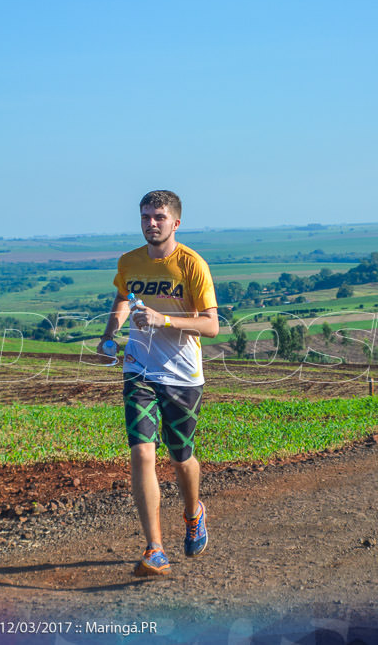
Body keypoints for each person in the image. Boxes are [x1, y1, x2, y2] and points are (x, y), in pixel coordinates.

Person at [98, 190, 219, 576]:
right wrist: (109, 335)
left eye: (159, 217)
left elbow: (212, 326)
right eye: (146, 217)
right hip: (139, 369)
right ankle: (155, 548)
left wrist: (164, 320)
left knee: (180, 458)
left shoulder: (191, 265)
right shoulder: (129, 262)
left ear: (176, 223)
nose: (152, 223)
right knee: (142, 454)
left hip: (183, 373)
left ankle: (193, 511)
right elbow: (122, 297)